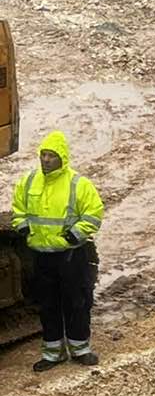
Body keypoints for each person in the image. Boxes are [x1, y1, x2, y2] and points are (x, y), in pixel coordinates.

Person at [12, 131, 104, 372]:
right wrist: (22, 227)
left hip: (71, 256)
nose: (46, 160)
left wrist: (76, 234)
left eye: (51, 155)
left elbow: (94, 213)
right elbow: (18, 208)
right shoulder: (29, 181)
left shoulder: (78, 184)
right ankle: (53, 353)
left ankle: (80, 349)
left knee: (77, 302)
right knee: (47, 305)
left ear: (62, 158)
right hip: (41, 256)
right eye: (43, 155)